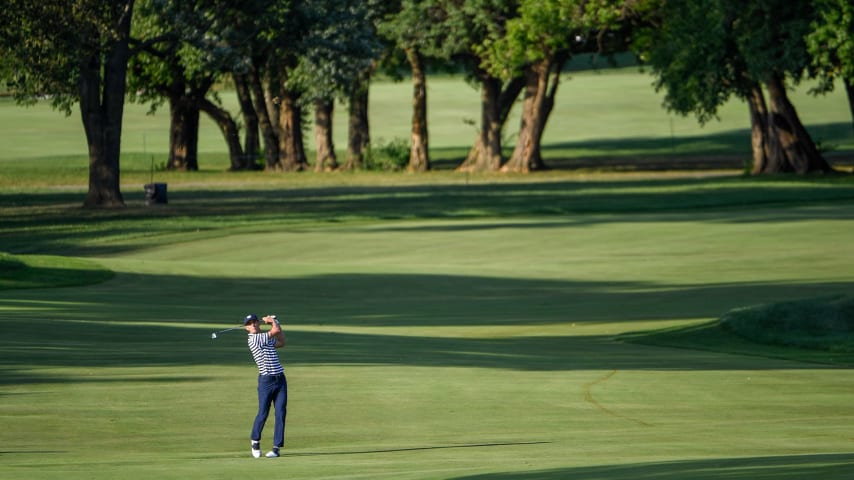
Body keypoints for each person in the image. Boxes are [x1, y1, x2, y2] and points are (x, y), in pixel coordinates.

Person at [243, 313, 287, 458]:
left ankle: (276, 448)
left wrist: (275, 322)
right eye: (250, 323)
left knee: (280, 412)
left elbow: (281, 341)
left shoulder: (265, 339)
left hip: (280, 379)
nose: (253, 324)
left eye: (255, 322)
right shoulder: (254, 339)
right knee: (263, 412)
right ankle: (255, 441)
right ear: (246, 328)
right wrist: (273, 321)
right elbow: (275, 331)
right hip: (266, 381)